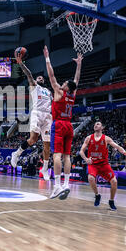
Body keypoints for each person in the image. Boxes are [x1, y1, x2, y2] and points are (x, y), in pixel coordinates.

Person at [44, 45, 82, 199]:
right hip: (69, 126)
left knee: (56, 156)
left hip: (59, 124)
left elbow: (51, 75)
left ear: (66, 86)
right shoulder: (72, 94)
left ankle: (58, 186)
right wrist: (78, 64)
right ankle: (67, 184)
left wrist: (47, 57)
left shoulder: (59, 92)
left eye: (65, 83)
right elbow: (76, 80)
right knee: (67, 156)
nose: (63, 83)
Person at [10, 51, 53, 181]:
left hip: (48, 116)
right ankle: (16, 154)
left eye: (41, 78)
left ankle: (45, 168)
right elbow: (28, 74)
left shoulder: (48, 91)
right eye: (38, 77)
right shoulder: (34, 87)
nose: (40, 78)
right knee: (33, 139)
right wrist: (21, 63)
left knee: (47, 145)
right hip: (37, 113)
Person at [79, 121, 126, 210]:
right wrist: (86, 159)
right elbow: (81, 151)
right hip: (93, 164)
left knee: (114, 182)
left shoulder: (106, 138)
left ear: (102, 127)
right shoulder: (88, 138)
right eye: (95, 124)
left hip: (104, 164)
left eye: (98, 124)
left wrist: (123, 151)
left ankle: (111, 200)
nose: (96, 125)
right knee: (90, 178)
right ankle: (97, 195)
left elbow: (117, 146)